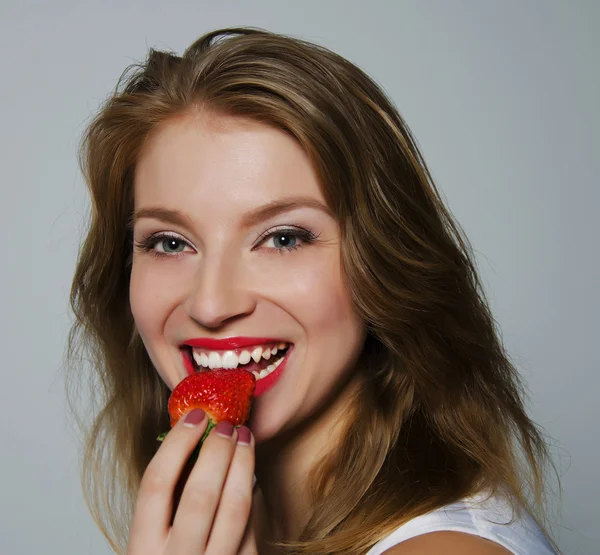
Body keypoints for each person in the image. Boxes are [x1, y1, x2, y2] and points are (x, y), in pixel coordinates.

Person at [65, 27, 562, 554]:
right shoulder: (229, 532)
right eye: (169, 242)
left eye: (282, 238)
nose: (210, 305)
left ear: (381, 261)